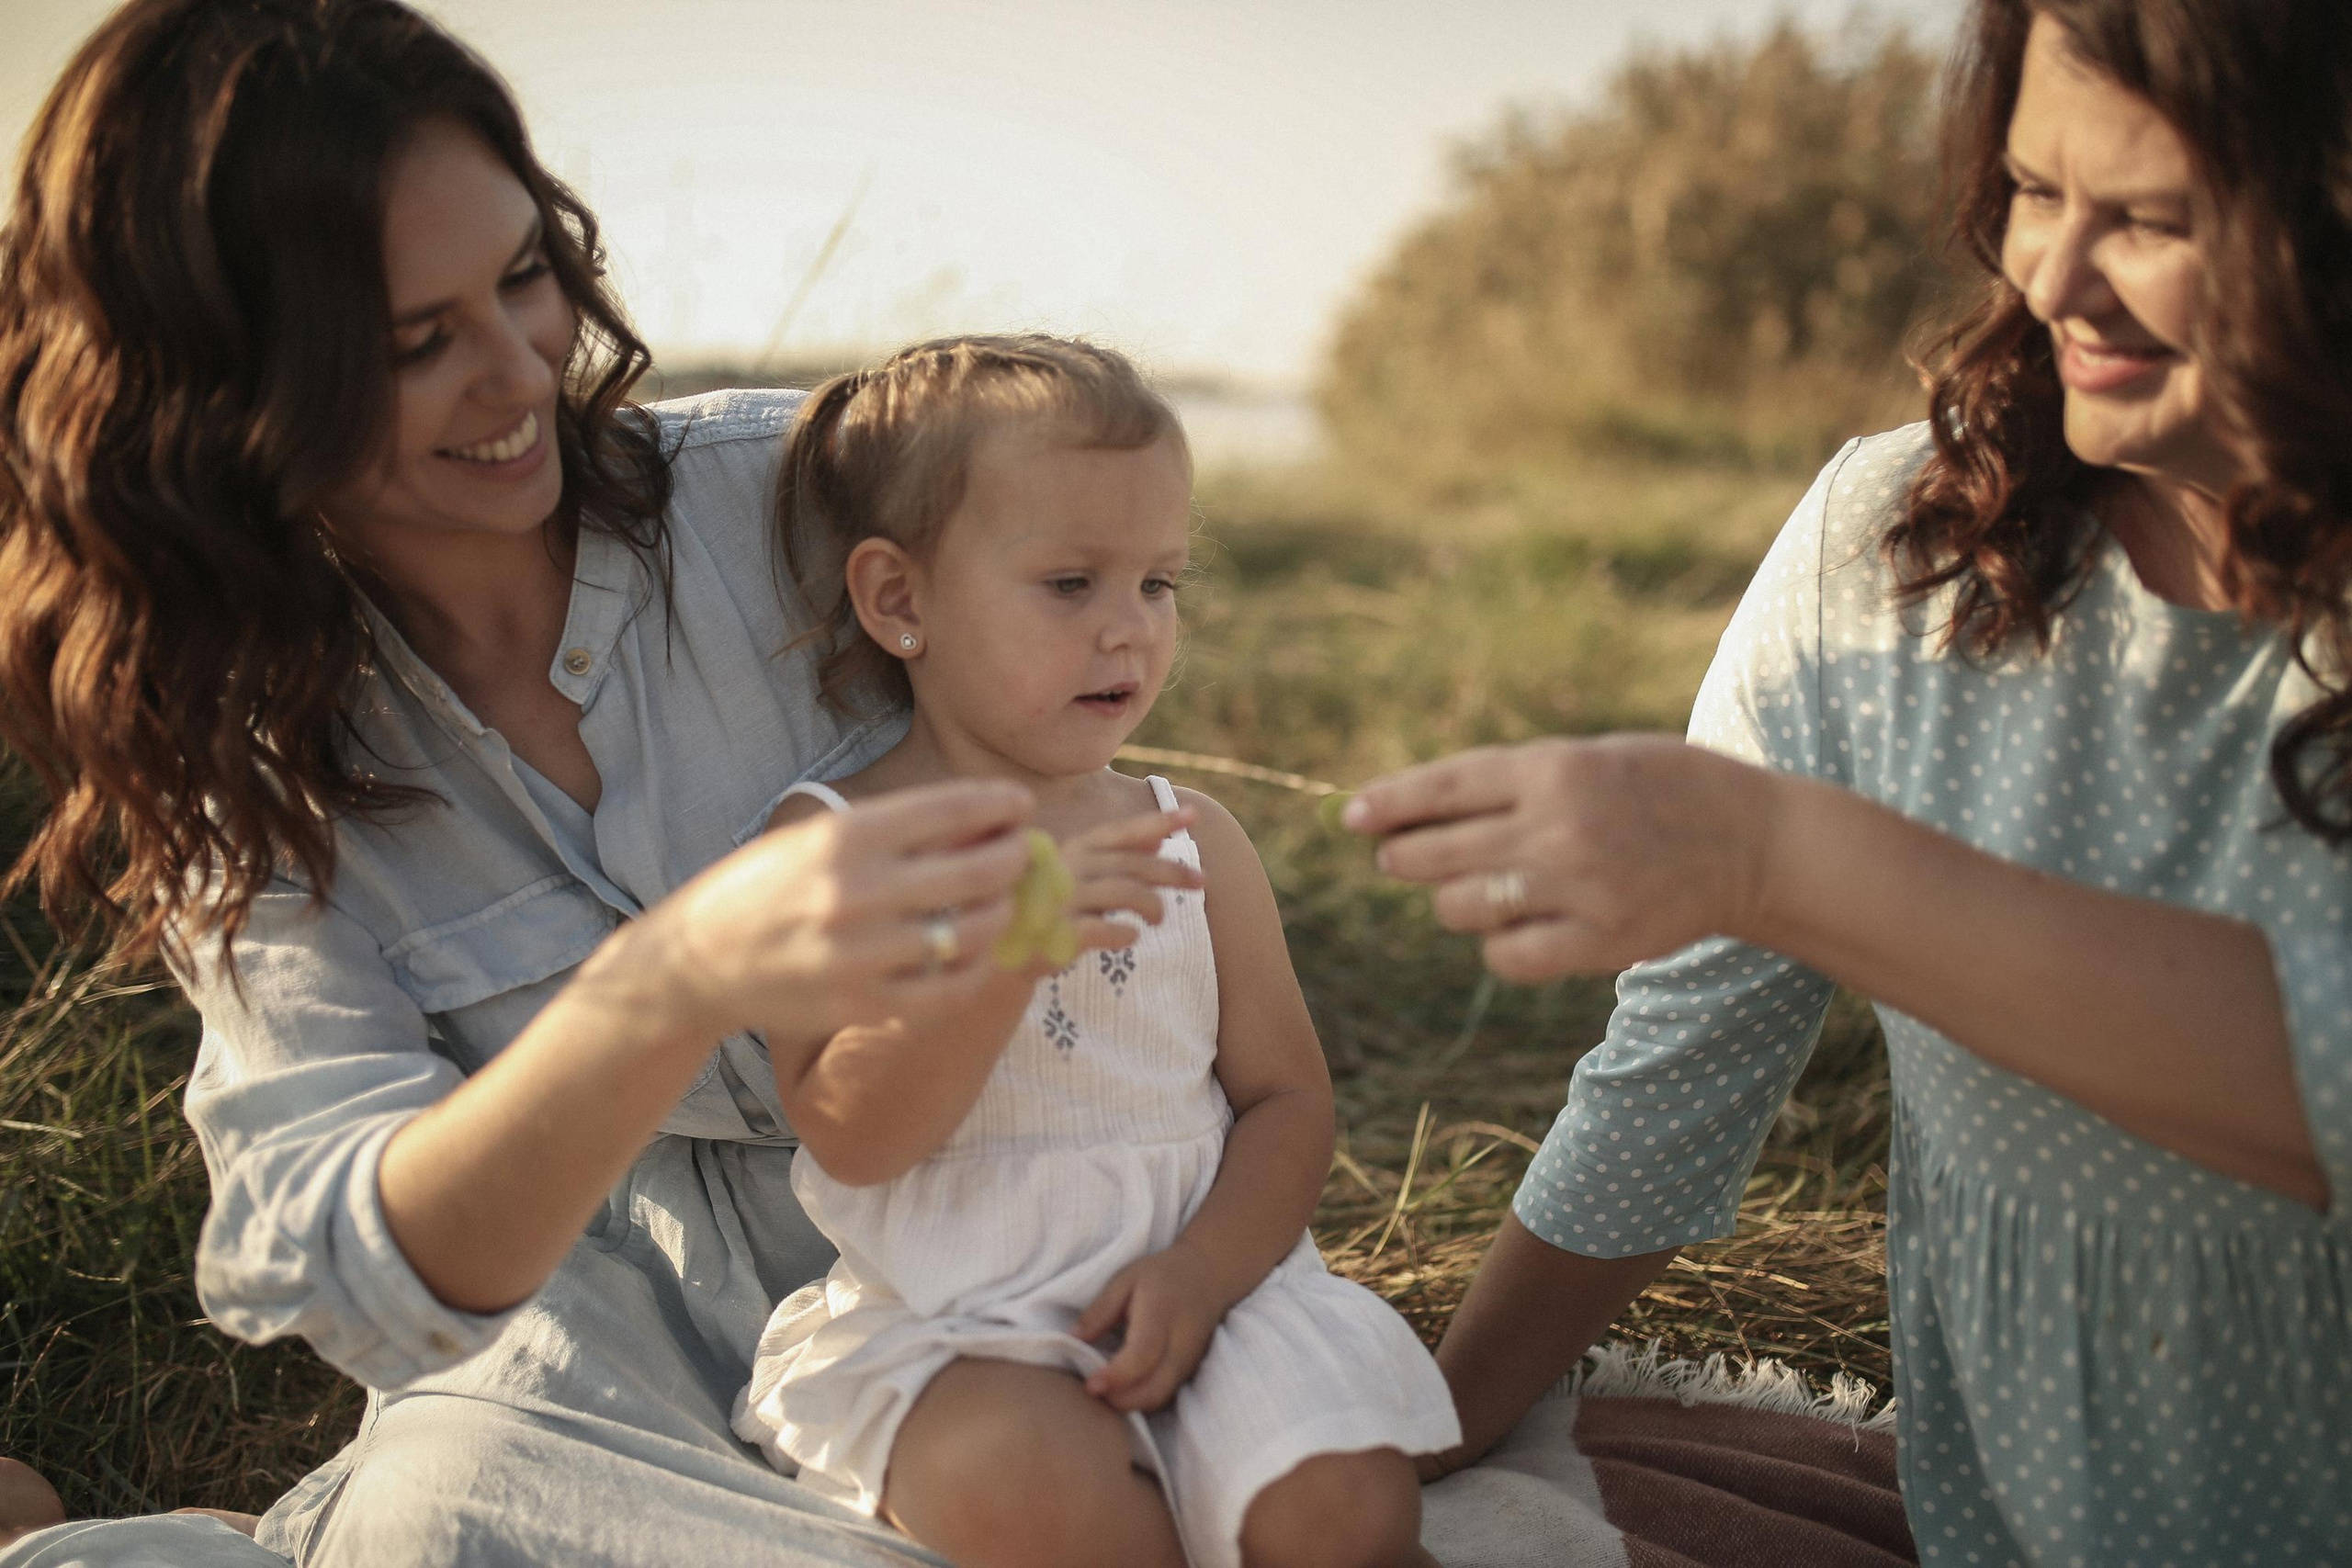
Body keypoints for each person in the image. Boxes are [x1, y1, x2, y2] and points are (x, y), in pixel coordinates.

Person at [0, 3, 1047, 1562]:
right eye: (415, 345)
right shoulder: (252, 766)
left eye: (521, 279)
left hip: (996, 1267)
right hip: (595, 1367)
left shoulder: (807, 505)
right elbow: (363, 1266)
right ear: (220, 395)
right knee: (456, 1519)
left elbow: (1108, 832)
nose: (517, 378)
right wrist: (673, 980)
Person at [1344, 1, 2352, 1563]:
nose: (2057, 278)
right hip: (2008, 1508)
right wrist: (1448, 1416)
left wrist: (1788, 862)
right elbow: (1686, 1051)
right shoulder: (1893, 527)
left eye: (2149, 219)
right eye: (2031, 190)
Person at [727, 336, 1457, 1568]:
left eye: (1160, 584)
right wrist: (1009, 949)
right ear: (901, 600)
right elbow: (851, 1129)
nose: (1129, 631)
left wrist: (1204, 1276)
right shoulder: (835, 846)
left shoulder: (1192, 839)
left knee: (1344, 1511)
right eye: (1071, 584)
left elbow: (1286, 1099)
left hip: (1210, 1290)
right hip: (965, 1324)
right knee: (1033, 1493)